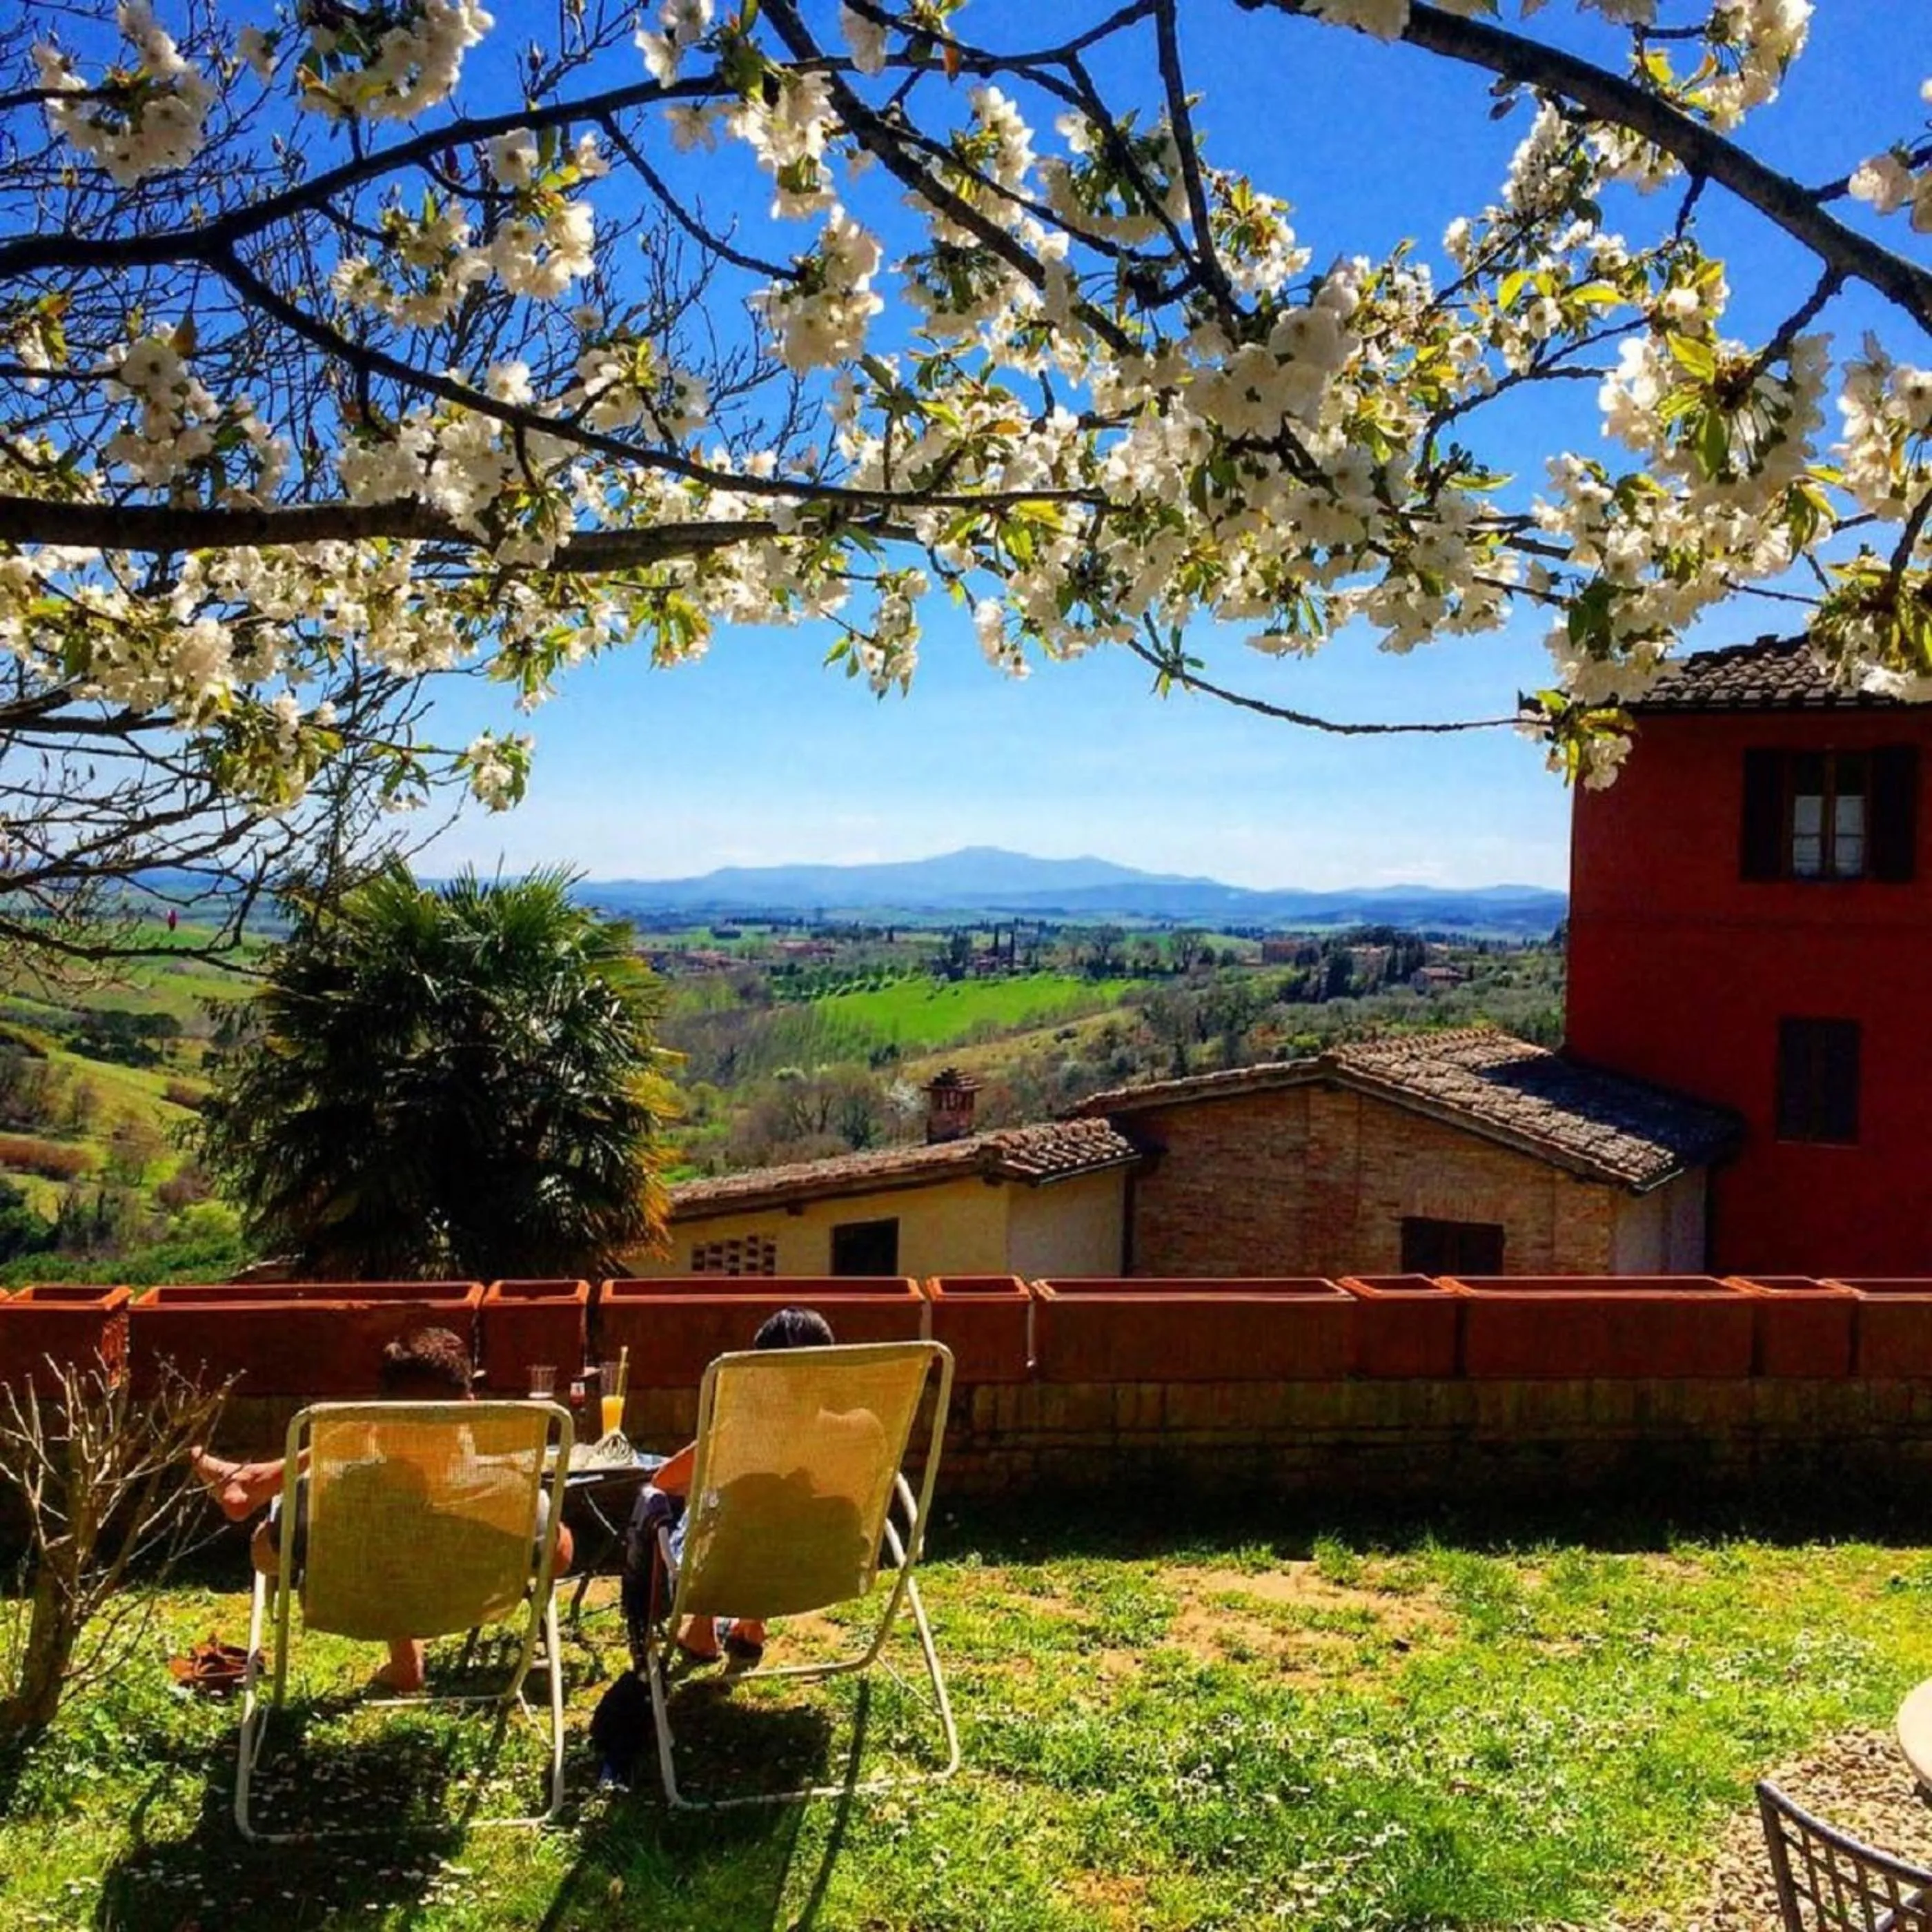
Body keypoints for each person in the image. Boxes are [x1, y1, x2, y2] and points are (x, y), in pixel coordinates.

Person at [190, 1326, 573, 1693]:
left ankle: (252, 1481)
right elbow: (557, 1559)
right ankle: (251, 1482)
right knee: (403, 1531)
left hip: (367, 1600)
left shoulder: (340, 1492)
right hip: (467, 1604)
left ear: (384, 1411)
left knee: (385, 1528)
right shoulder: (504, 1488)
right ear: (469, 1405)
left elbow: (267, 1558)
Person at [624, 1305, 838, 1668]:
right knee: (778, 1500)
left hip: (729, 1573)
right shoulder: (858, 1431)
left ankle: (700, 1630)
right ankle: (751, 1626)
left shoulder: (741, 1436)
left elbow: (665, 1480)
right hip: (819, 1572)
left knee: (698, 1497)